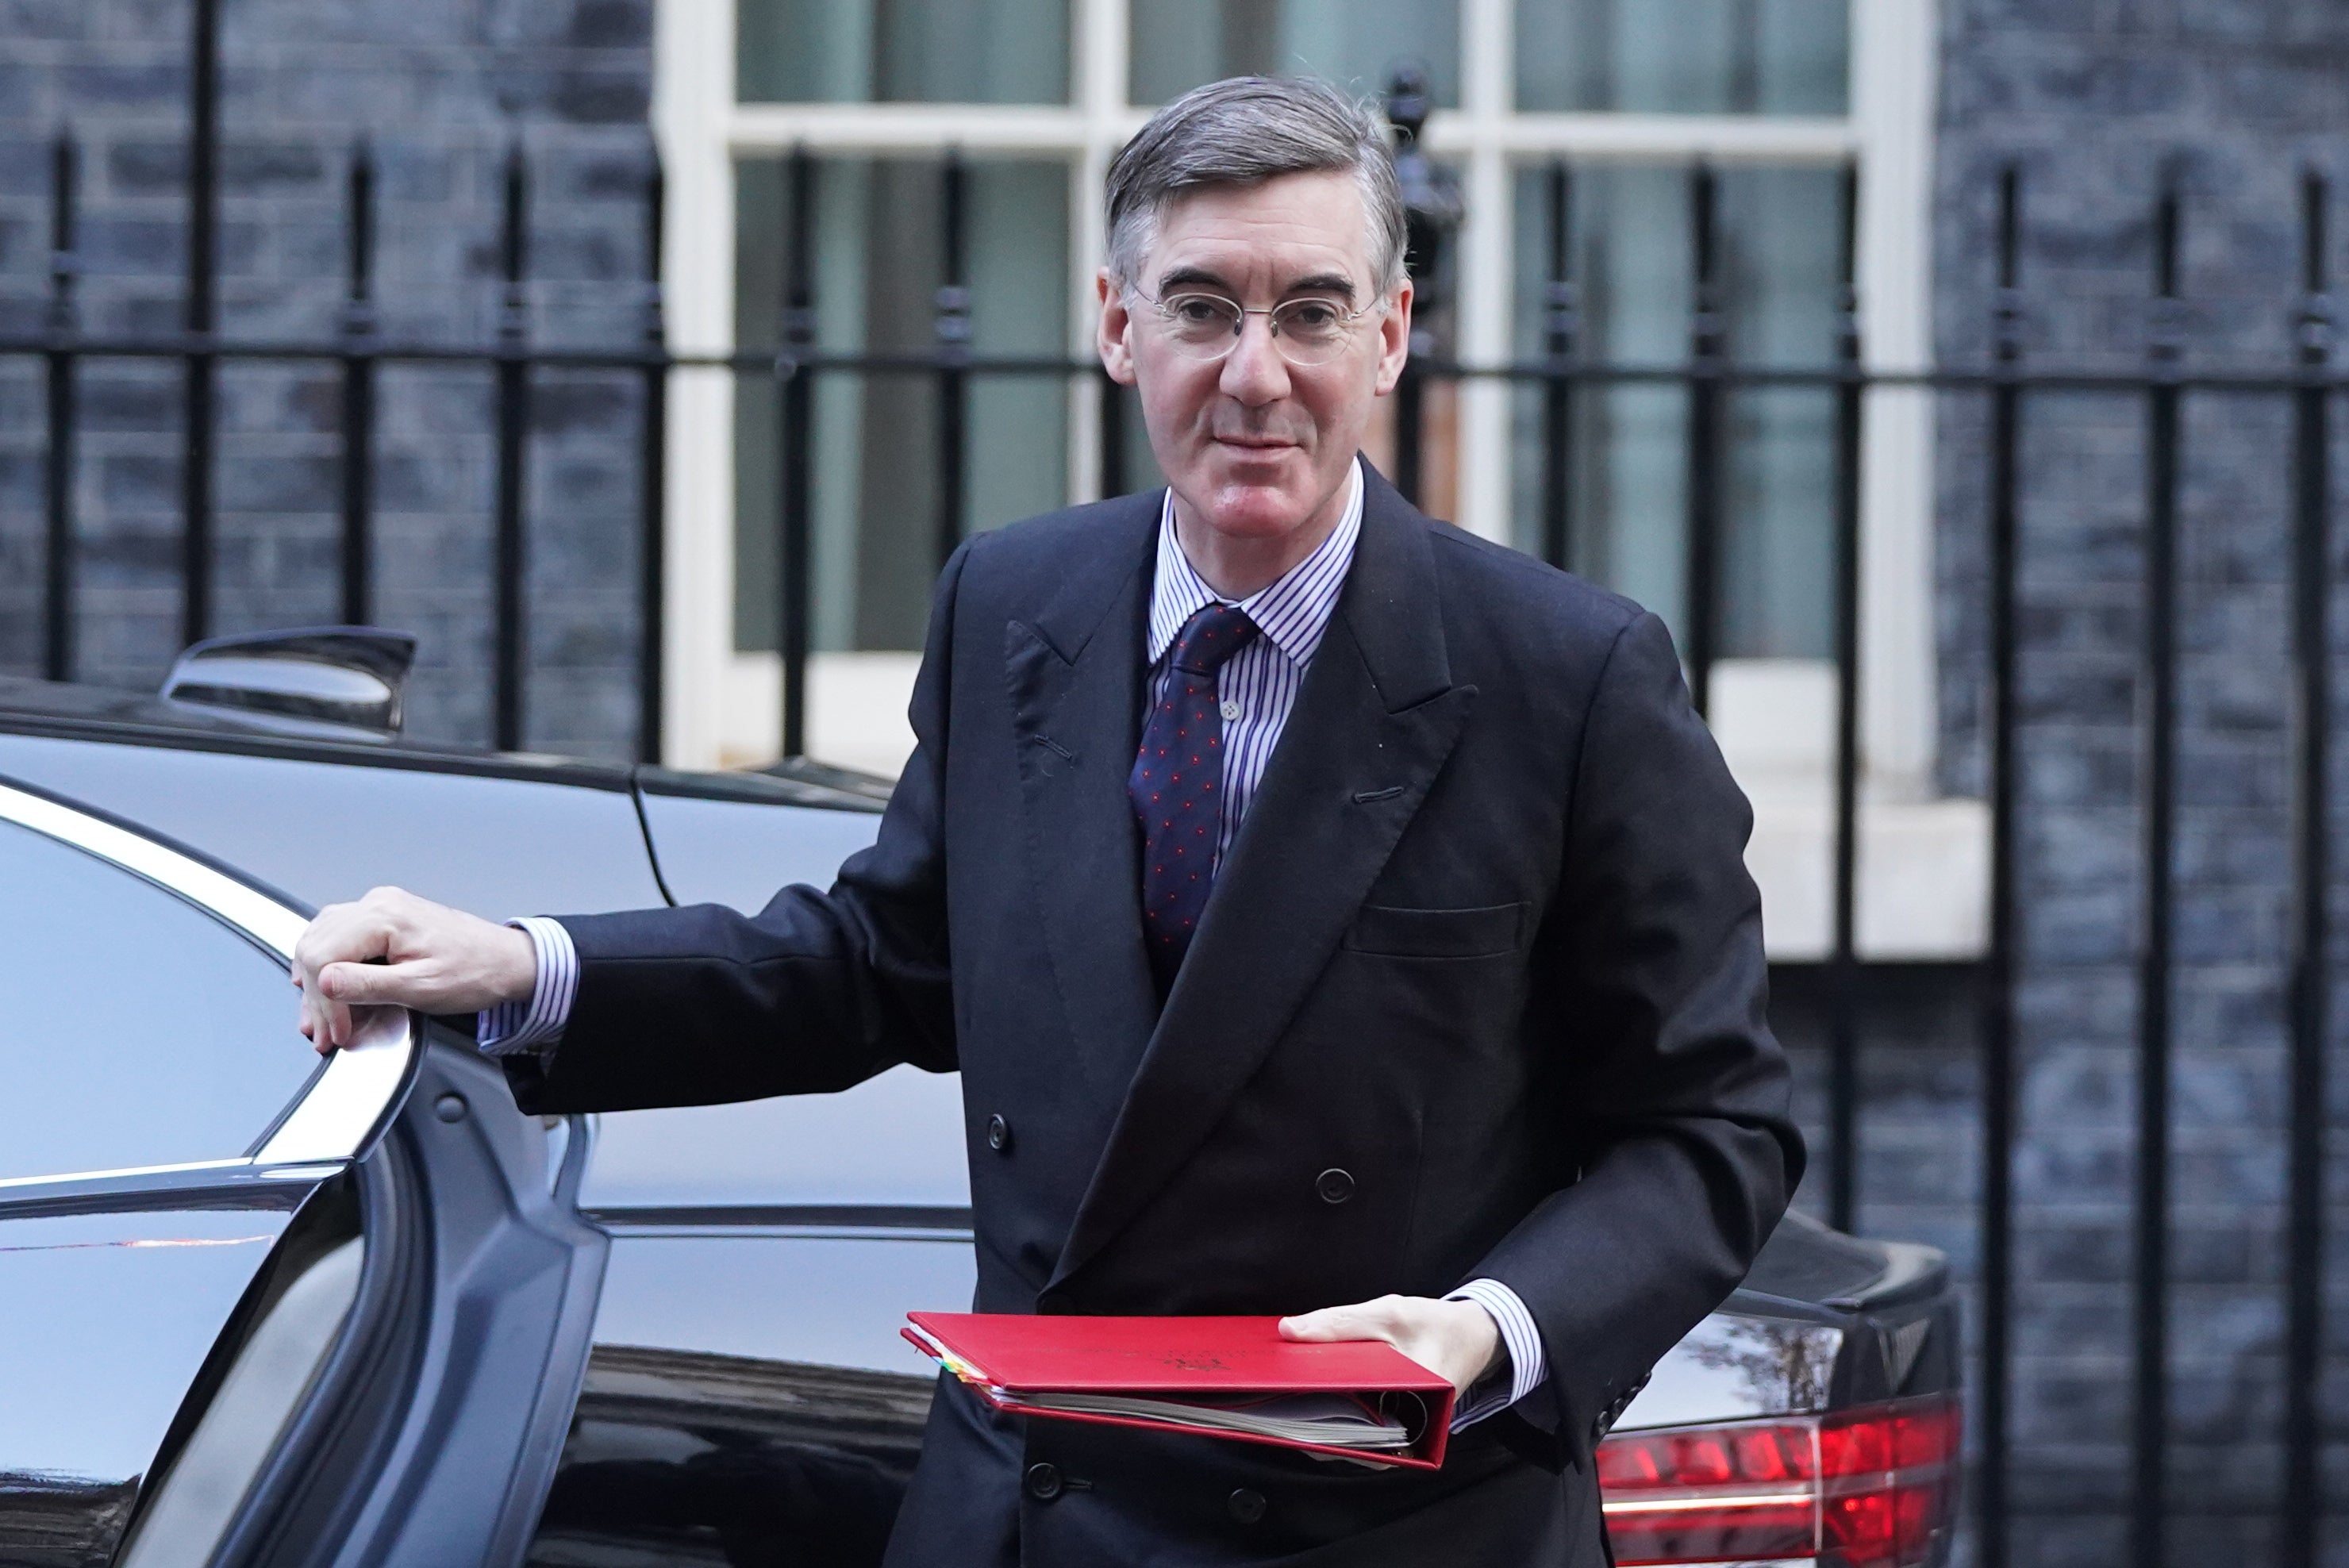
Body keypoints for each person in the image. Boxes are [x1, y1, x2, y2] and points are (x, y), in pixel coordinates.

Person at [294, 76, 1801, 1568]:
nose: (1257, 374)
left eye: (1312, 313)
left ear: (1391, 335)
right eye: (1204, 308)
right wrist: (524, 966)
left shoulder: (1566, 674)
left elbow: (1711, 1126)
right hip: (1028, 1515)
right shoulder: (1013, 603)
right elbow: (884, 963)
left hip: (1385, 1525)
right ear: (1116, 326)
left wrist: (1487, 1331)